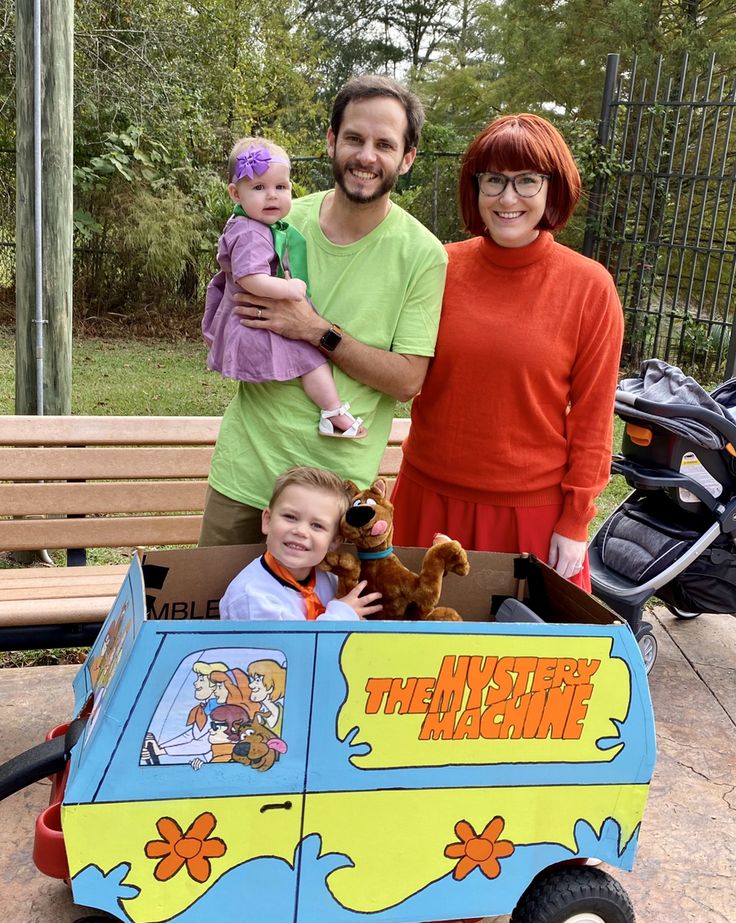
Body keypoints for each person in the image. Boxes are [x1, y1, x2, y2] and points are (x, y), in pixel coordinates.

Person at [198, 75, 448, 547]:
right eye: (354, 138)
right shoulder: (278, 217)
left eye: (384, 144)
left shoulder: (422, 255)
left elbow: (408, 380)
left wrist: (318, 332)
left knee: (320, 620)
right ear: (332, 142)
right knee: (217, 614)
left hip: (334, 496)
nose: (366, 156)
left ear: (407, 158)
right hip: (246, 476)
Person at [391, 114, 625, 590]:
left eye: (526, 181)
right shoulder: (440, 266)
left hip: (530, 516)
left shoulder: (588, 287)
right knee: (412, 656)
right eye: (494, 180)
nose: (508, 197)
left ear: (552, 188)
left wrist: (576, 520)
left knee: (527, 662)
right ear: (475, 187)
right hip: (428, 499)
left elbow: (594, 417)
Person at [202, 137, 366, 439]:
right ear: (235, 194)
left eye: (281, 187)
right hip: (257, 320)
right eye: (259, 188)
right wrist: (291, 290)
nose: (272, 196)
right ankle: (333, 414)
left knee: (309, 358)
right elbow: (250, 278)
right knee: (311, 359)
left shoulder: (253, 225)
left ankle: (331, 413)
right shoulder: (251, 233)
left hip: (255, 312)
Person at [218, 466, 382, 621]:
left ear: (334, 542)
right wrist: (343, 615)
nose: (300, 531)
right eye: (290, 517)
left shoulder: (330, 578)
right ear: (267, 521)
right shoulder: (252, 597)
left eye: (317, 525)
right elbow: (292, 649)